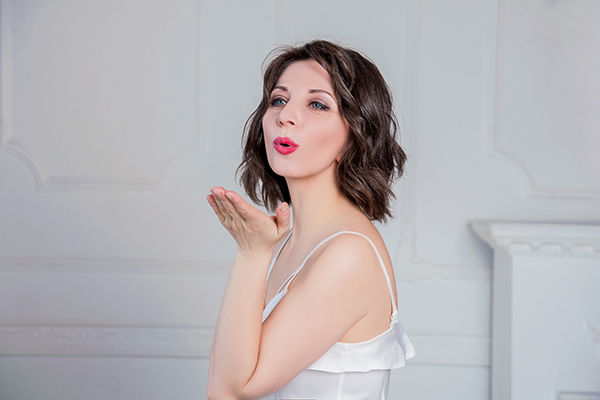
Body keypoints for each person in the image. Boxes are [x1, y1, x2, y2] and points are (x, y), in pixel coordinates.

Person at [206, 39, 415, 400]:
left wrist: (251, 255)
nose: (285, 116)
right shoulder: (291, 238)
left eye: (317, 104)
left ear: (355, 136)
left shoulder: (348, 254)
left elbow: (228, 391)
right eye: (279, 100)